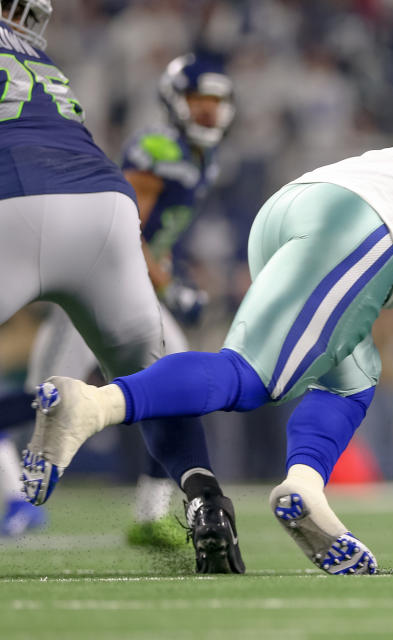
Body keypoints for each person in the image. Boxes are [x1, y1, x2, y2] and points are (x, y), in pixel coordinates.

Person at [23, 78, 393, 574]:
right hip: (361, 229)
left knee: (354, 376)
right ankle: (93, 404)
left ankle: (305, 491)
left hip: (307, 205)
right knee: (252, 376)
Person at [1, 1, 243, 572]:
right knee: (157, 382)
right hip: (106, 210)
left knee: (74, 384)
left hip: (13, 200)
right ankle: (207, 503)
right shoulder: (42, 58)